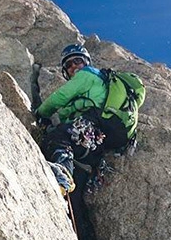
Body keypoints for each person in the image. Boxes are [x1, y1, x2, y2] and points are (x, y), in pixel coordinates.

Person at [35, 44, 133, 196]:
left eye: (77, 61)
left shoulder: (87, 74)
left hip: (90, 127)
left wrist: (41, 113)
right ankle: (73, 204)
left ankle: (63, 174)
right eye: (69, 64)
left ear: (86, 63)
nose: (74, 66)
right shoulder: (99, 84)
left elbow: (60, 97)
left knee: (57, 136)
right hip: (97, 142)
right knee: (78, 182)